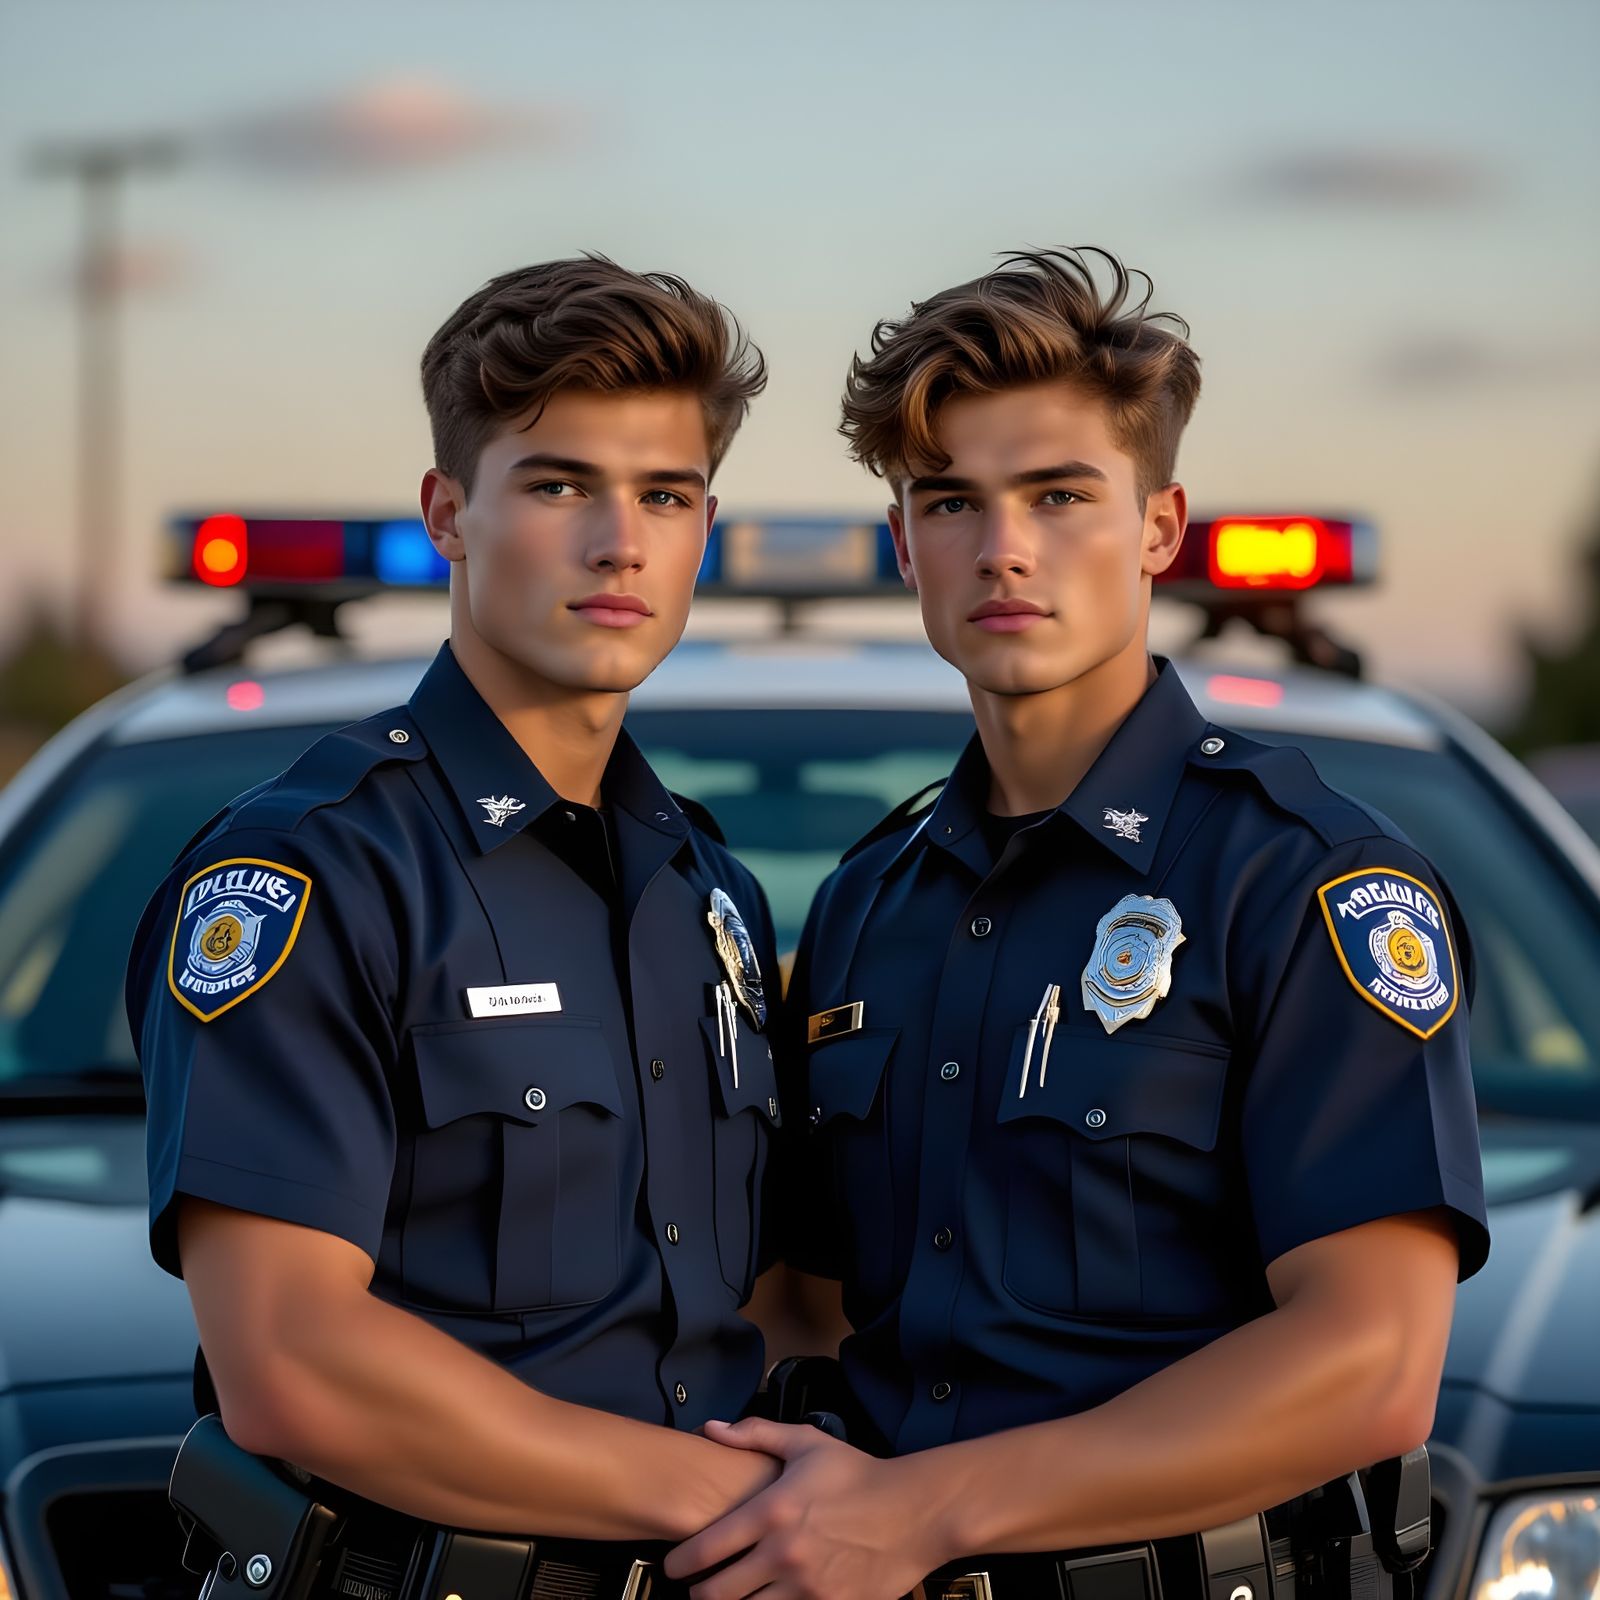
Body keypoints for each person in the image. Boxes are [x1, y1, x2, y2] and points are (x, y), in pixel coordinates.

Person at [665, 249, 1490, 1599]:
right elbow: (804, 1300)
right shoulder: (873, 902)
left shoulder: (1301, 880)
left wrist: (928, 1512)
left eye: (1059, 495)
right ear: (903, 542)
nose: (1003, 548)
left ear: (1159, 526)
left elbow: (1371, 1365)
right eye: (952, 501)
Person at [125, 257, 787, 1565]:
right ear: (448, 512)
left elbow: (760, 1310)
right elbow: (293, 1366)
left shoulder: (713, 895)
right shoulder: (314, 872)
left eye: (666, 494)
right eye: (559, 485)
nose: (621, 542)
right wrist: (755, 1513)